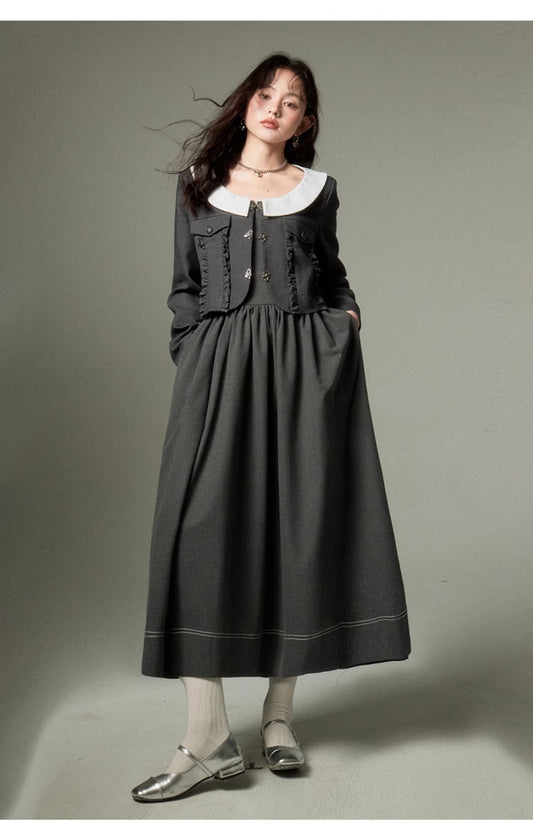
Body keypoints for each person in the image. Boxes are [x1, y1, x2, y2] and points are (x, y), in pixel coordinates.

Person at [132, 52, 410, 803]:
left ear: (303, 122)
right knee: (198, 529)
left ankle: (279, 720)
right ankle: (207, 734)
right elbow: (184, 290)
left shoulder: (318, 192)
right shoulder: (199, 187)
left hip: (302, 373)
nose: (275, 108)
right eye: (265, 94)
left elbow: (333, 277)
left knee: (299, 527)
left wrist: (344, 323)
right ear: (246, 102)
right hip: (217, 372)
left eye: (291, 102)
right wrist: (194, 352)